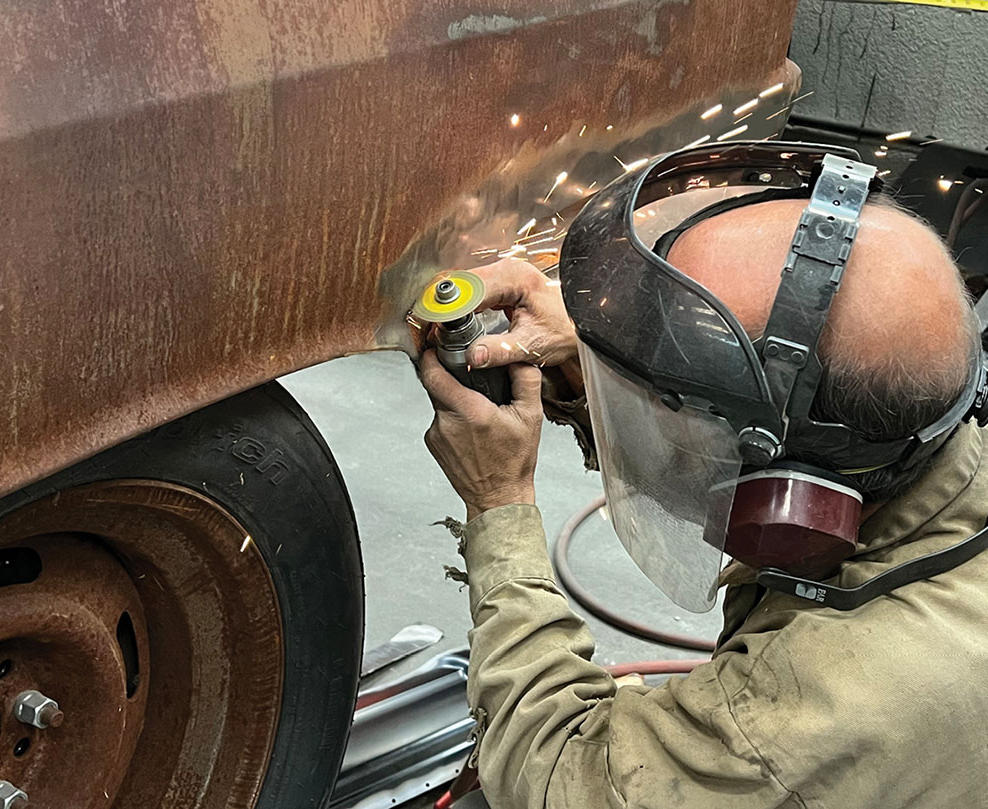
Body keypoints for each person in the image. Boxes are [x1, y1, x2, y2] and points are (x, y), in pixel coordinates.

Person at [417, 144, 988, 809]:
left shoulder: (790, 723)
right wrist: (598, 357)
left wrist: (500, 504)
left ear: (790, 500)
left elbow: (559, 777)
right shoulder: (909, 426)